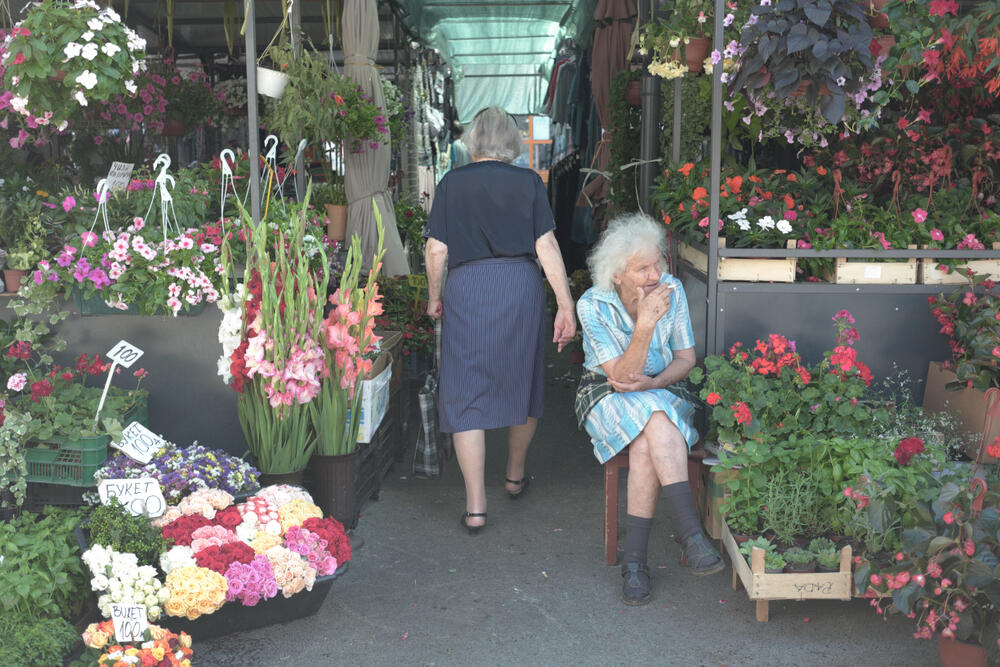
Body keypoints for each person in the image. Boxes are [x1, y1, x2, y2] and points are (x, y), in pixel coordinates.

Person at [423, 106, 577, 534]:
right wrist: (566, 304)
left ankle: (475, 507)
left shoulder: (452, 182)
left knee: (465, 386)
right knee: (520, 378)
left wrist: (434, 297)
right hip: (519, 287)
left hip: (468, 287)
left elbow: (436, 249)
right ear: (511, 141)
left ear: (472, 141)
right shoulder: (529, 181)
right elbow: (545, 244)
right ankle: (513, 476)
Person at [575, 213, 722, 606]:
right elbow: (622, 377)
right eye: (642, 268)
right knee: (654, 418)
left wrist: (656, 384)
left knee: (648, 433)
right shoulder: (592, 305)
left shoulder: (671, 289)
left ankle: (636, 564)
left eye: (658, 263)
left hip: (663, 389)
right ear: (617, 275)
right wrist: (643, 326)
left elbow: (686, 359)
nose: (655, 274)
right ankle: (690, 533)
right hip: (607, 394)